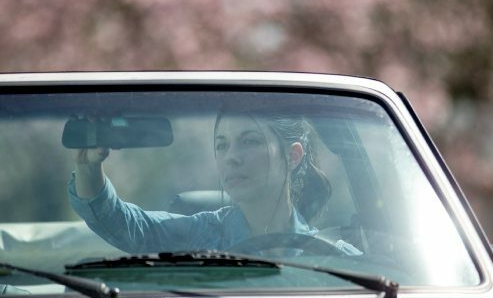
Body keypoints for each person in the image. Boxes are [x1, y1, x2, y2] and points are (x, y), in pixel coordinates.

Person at [68, 108, 360, 256]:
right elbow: (124, 224)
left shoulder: (332, 256)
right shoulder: (198, 236)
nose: (232, 157)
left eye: (250, 141)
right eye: (222, 145)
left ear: (293, 155)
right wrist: (87, 167)